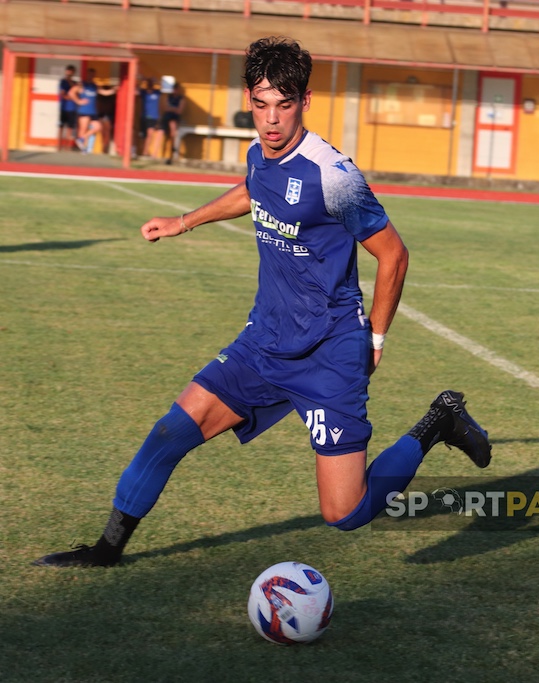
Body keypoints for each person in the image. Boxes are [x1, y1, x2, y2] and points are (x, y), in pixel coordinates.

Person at [33, 36, 492, 569]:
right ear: (249, 100)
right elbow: (252, 189)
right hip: (264, 342)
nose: (271, 120)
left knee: (345, 512)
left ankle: (438, 422)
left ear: (305, 101)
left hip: (328, 352)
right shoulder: (258, 153)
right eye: (261, 105)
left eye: (285, 104)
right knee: (171, 431)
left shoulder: (333, 176)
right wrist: (184, 221)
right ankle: (107, 550)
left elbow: (394, 255)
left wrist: (376, 337)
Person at [68, 68, 116, 153]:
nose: (91, 76)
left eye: (93, 75)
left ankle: (82, 140)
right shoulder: (82, 84)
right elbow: (71, 93)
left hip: (93, 112)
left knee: (98, 127)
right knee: (83, 129)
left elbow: (103, 92)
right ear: (87, 75)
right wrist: (78, 101)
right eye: (90, 74)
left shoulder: (94, 86)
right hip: (84, 111)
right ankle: (83, 148)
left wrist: (114, 90)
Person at [155, 81, 185, 163]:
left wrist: (171, 108)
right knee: (160, 133)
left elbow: (179, 111)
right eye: (174, 89)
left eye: (176, 89)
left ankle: (171, 154)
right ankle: (155, 154)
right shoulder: (169, 97)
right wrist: (173, 109)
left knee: (173, 129)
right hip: (166, 117)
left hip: (174, 118)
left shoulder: (181, 99)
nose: (175, 91)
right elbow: (166, 108)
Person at [138, 77, 162, 158]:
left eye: (151, 83)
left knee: (150, 133)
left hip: (154, 117)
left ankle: (146, 152)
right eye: (149, 83)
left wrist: (157, 81)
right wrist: (142, 81)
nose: (150, 85)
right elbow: (136, 89)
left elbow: (165, 88)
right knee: (143, 136)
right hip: (144, 116)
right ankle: (144, 151)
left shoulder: (157, 92)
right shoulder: (143, 92)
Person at [58, 65, 78, 151]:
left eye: (71, 71)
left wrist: (72, 96)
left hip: (72, 108)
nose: (69, 73)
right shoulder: (62, 82)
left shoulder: (75, 83)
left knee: (70, 128)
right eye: (68, 71)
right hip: (64, 107)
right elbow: (63, 94)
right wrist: (70, 97)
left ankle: (66, 146)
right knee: (61, 126)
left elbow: (76, 93)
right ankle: (59, 146)